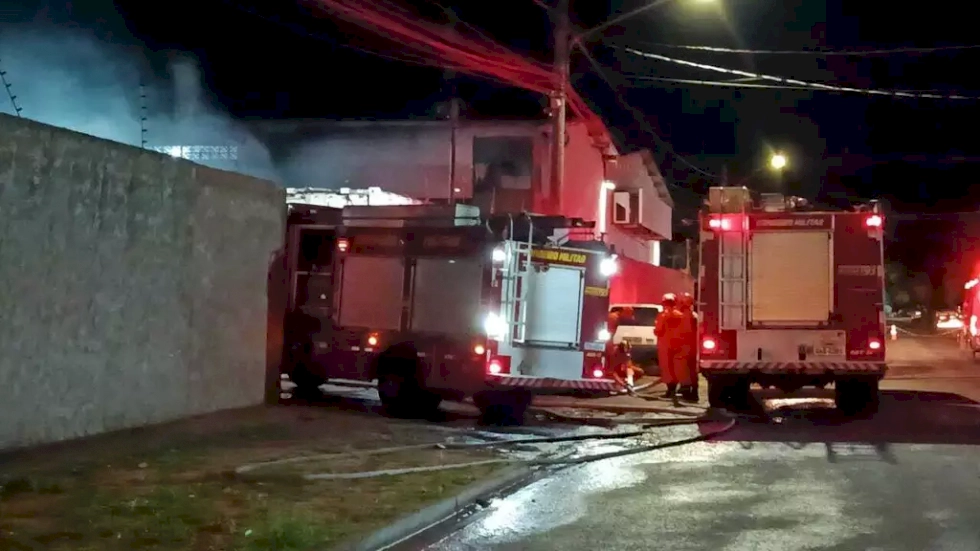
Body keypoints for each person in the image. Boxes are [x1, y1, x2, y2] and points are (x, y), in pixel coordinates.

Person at [654, 293, 681, 398]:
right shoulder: (680, 314)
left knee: (667, 368)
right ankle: (674, 389)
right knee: (675, 368)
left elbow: (658, 330)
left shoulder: (663, 315)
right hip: (678, 345)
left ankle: (670, 391)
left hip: (665, 345)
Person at [676, 293, 699, 402]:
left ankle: (689, 391)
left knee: (687, 370)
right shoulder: (693, 315)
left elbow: (684, 332)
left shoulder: (687, 316)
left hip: (687, 346)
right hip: (691, 346)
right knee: (690, 370)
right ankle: (691, 391)